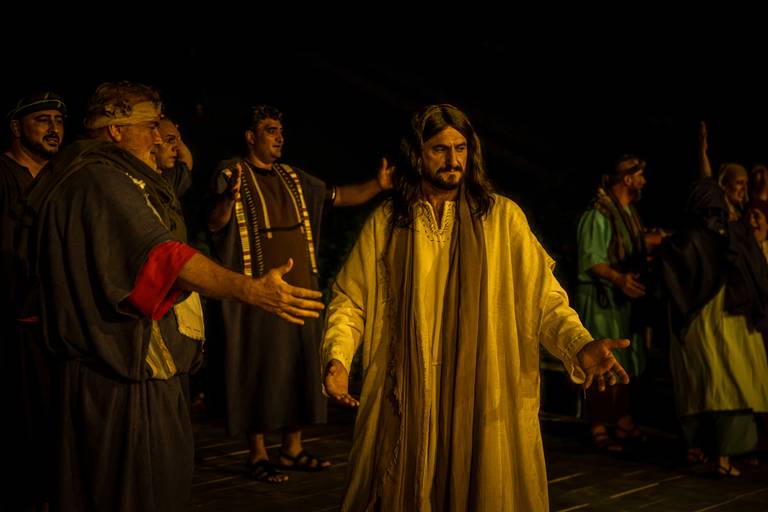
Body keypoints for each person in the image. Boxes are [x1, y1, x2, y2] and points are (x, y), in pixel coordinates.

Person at [27, 82, 324, 512]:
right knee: (133, 488)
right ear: (115, 130)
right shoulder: (100, 179)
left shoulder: (119, 176)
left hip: (136, 369)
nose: (158, 136)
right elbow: (163, 256)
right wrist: (251, 289)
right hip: (118, 374)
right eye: (149, 126)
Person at [321, 104, 630, 511]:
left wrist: (579, 345)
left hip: (484, 391)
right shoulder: (388, 222)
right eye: (440, 149)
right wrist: (338, 357)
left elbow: (544, 300)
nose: (453, 160)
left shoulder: (502, 219)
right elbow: (351, 301)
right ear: (417, 153)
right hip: (409, 393)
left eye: (461, 148)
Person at [207, 104, 393, 483]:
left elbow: (339, 197)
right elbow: (214, 223)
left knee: (298, 365)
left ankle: (292, 448)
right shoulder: (231, 173)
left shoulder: (293, 178)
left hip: (300, 291)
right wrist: (227, 199)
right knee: (257, 366)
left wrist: (378, 185)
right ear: (250, 136)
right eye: (270, 130)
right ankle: (258, 453)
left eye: (280, 131)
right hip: (259, 292)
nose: (279, 137)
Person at [661, 176, 768, 477]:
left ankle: (699, 449)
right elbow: (758, 277)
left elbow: (671, 283)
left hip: (697, 327)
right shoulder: (734, 236)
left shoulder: (682, 241)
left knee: (702, 387)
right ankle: (723, 456)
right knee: (731, 386)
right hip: (730, 325)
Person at [1, 91, 66, 511]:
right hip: (17, 322)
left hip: (57, 323)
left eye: (58, 120)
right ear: (16, 127)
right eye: (42, 120)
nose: (54, 128)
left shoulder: (63, 177)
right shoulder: (5, 175)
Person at [574, 154, 655, 452]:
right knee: (602, 360)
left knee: (624, 360)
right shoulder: (598, 213)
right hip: (600, 300)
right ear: (627, 178)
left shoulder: (627, 213)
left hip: (619, 302)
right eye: (640, 175)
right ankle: (597, 424)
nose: (644, 181)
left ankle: (621, 419)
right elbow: (590, 260)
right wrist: (619, 279)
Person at [154, 116, 194, 198]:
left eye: (178, 141)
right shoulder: (136, 183)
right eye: (170, 140)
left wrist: (176, 137)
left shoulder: (169, 180)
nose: (177, 148)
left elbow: (186, 162)